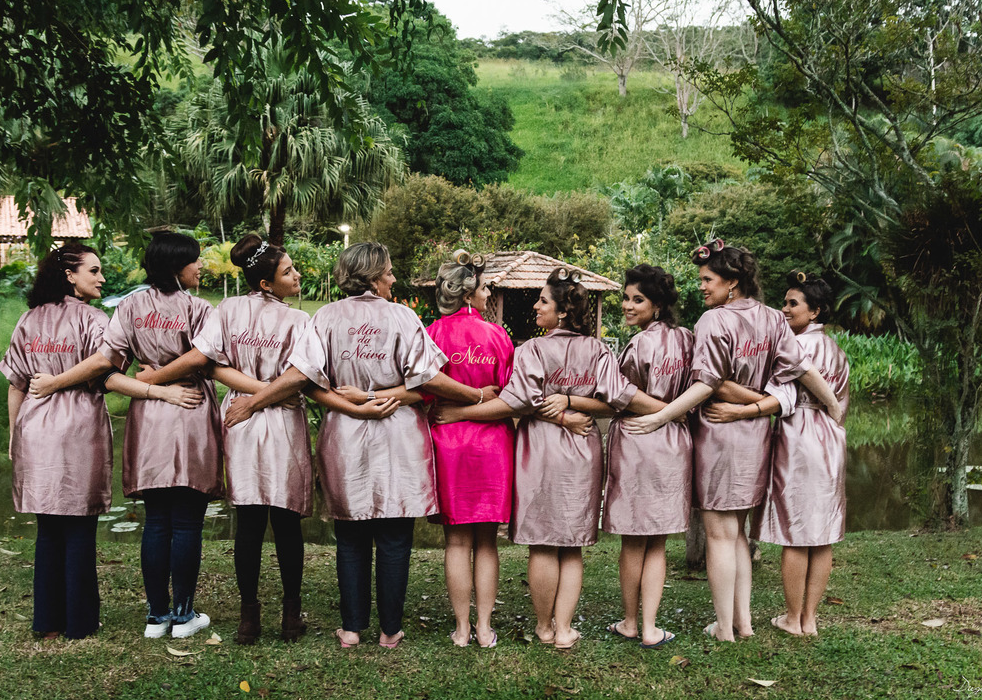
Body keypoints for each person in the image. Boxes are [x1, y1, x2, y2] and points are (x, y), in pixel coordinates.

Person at [223, 242, 492, 649]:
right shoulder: (403, 317)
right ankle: (389, 630)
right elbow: (428, 380)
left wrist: (357, 405)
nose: (393, 279)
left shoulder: (325, 317)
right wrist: (475, 395)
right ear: (371, 276)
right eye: (388, 272)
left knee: (350, 536)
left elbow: (307, 381)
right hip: (398, 434)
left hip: (345, 435)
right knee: (395, 534)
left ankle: (351, 628)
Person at [433, 268, 668, 649]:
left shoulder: (532, 351)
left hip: (540, 449)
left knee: (543, 542)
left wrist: (460, 413)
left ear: (561, 312)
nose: (536, 306)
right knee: (571, 544)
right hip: (582, 449)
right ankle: (564, 629)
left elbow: (515, 402)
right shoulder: (597, 350)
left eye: (543, 300)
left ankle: (543, 627)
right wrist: (669, 409)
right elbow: (615, 400)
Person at [624, 241, 844, 643]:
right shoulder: (774, 320)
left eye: (708, 280)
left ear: (733, 282)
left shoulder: (713, 321)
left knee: (720, 535)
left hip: (720, 433)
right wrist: (832, 403)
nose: (702, 287)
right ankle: (743, 622)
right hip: (757, 437)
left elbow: (705, 384)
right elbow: (801, 368)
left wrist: (661, 415)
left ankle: (725, 627)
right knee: (738, 532)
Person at [28, 232, 224, 640]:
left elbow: (106, 364)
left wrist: (150, 376)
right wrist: (167, 379)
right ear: (176, 265)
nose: (200, 267)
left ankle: (156, 617)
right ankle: (183, 616)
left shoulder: (129, 307)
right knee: (186, 521)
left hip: (149, 418)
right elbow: (202, 357)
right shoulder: (199, 309)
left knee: (156, 520)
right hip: (189, 409)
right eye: (194, 261)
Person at [133, 234, 314, 644]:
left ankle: (251, 618)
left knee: (249, 520)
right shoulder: (300, 321)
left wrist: (250, 399)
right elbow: (298, 377)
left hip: (241, 416)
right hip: (280, 414)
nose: (297, 275)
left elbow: (215, 365)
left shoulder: (228, 309)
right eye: (289, 271)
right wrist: (270, 393)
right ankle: (288, 614)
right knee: (285, 522)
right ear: (266, 284)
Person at [704, 271, 849, 637]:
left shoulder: (798, 348)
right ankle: (810, 619)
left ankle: (792, 616)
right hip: (831, 439)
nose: (783, 310)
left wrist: (735, 405)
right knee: (822, 533)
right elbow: (841, 405)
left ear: (815, 311)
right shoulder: (836, 350)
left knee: (796, 530)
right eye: (784, 302)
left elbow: (777, 397)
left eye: (792, 304)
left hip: (800, 437)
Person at [422, 258, 515, 648]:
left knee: (456, 542)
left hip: (448, 443)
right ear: (469, 293)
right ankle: (483, 627)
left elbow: (422, 390)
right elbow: (511, 395)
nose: (489, 292)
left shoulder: (431, 335)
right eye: (485, 287)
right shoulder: (497, 336)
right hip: (492, 444)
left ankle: (461, 629)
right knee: (487, 542)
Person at [602, 265, 693, 648]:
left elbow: (619, 394)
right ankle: (652, 626)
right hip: (675, 440)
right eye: (625, 297)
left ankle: (629, 621)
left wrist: (653, 411)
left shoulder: (638, 345)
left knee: (634, 541)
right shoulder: (689, 339)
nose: (627, 305)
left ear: (657, 306)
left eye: (636, 299)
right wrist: (673, 410)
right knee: (657, 540)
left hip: (640, 440)